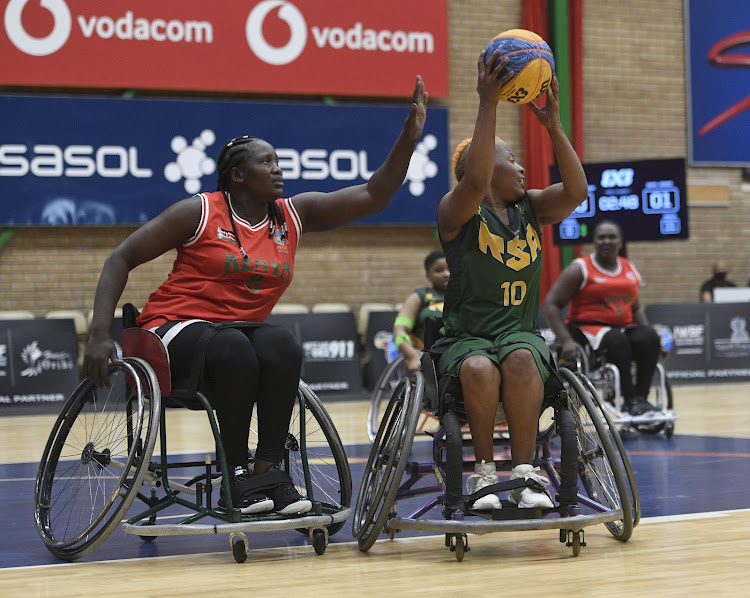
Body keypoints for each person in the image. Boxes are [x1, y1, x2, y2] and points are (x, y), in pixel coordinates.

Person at [83, 76, 428, 516]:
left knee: (281, 343)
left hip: (237, 337)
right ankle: (237, 475)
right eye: (267, 162)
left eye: (279, 161)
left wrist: (409, 137)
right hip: (171, 332)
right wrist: (99, 334)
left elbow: (372, 195)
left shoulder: (291, 216)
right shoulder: (200, 211)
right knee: (234, 347)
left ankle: (267, 473)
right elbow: (120, 258)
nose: (279, 169)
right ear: (238, 175)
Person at [433, 50, 588, 511]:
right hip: (466, 338)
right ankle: (483, 475)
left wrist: (554, 127)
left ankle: (524, 474)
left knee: (521, 358)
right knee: (481, 368)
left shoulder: (531, 208)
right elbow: (476, 178)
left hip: (517, 333)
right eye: (511, 159)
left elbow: (577, 191)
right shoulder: (455, 209)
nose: (521, 168)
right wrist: (488, 102)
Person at [542, 220, 662, 417]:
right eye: (601, 237)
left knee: (649, 337)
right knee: (616, 339)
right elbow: (551, 305)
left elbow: (636, 307)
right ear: (594, 242)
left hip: (622, 326)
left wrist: (650, 338)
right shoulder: (580, 268)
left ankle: (641, 399)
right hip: (588, 329)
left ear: (620, 242)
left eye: (612, 237)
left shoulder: (628, 267)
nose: (607, 241)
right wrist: (566, 341)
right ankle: (628, 399)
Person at [392, 249, 449, 372]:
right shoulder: (419, 296)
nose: (446, 274)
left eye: (450, 269)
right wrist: (413, 356)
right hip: (427, 354)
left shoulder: (465, 297)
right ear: (428, 275)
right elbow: (399, 330)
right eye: (439, 270)